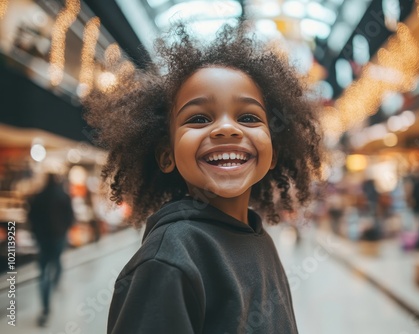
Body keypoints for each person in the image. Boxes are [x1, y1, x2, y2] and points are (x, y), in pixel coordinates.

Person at [84, 21, 322, 333]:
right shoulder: (167, 261)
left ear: (274, 152)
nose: (227, 128)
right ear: (167, 155)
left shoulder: (258, 238)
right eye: (199, 118)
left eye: (248, 117)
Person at [28, 173, 74, 326]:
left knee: (44, 272)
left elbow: (31, 217)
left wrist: (36, 234)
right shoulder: (64, 196)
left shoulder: (38, 196)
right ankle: (56, 282)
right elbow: (71, 217)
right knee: (57, 260)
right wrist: (63, 231)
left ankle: (46, 308)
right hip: (58, 238)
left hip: (43, 240)